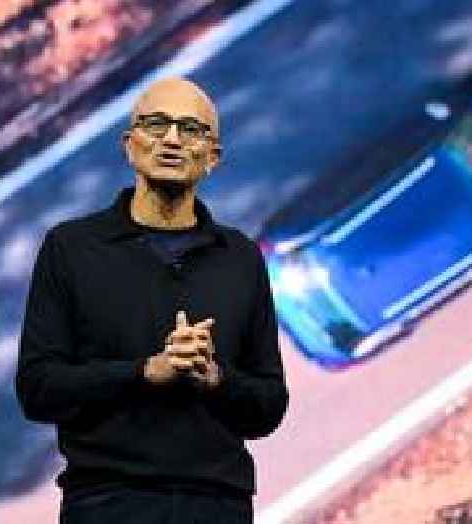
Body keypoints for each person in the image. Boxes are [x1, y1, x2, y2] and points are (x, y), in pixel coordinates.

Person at [15, 76, 289, 523]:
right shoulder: (72, 248)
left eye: (191, 129)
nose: (173, 140)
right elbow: (38, 389)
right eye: (157, 124)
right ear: (130, 145)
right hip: (108, 503)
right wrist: (143, 372)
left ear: (213, 157)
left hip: (219, 505)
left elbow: (269, 405)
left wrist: (216, 378)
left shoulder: (239, 257)